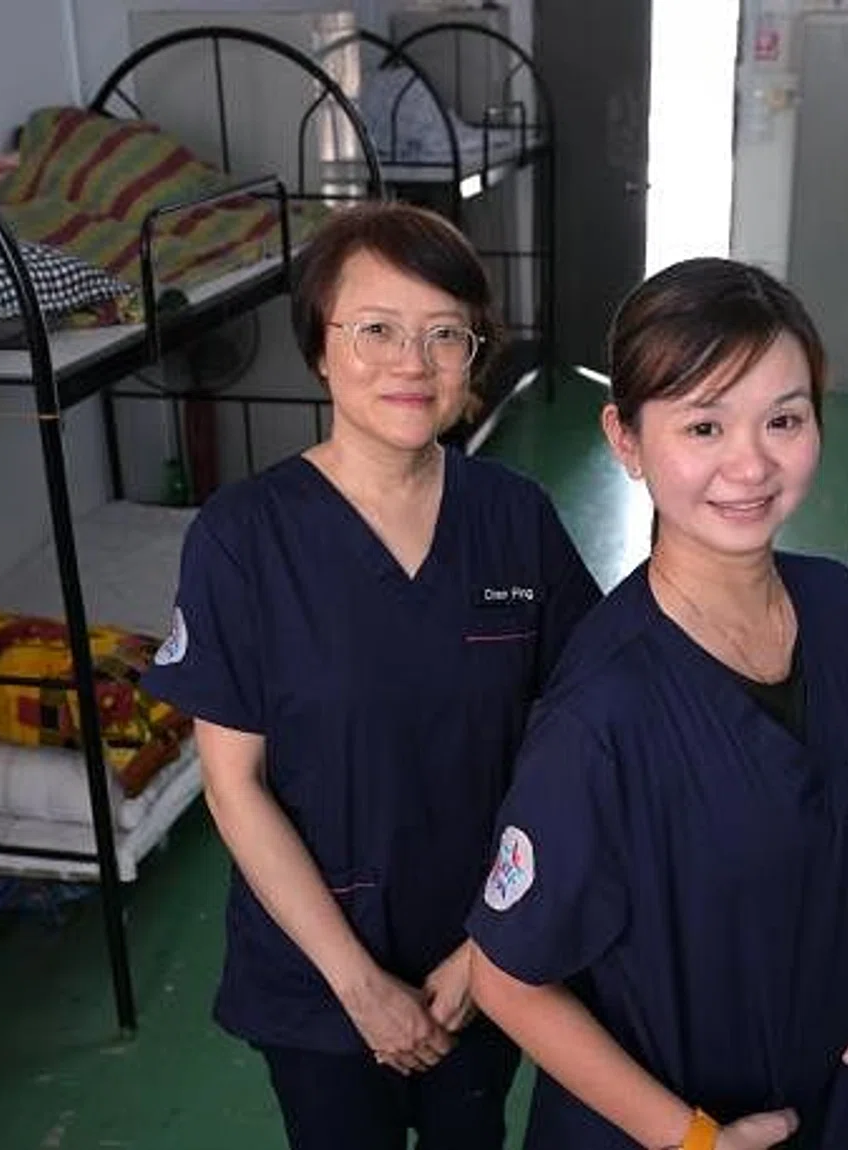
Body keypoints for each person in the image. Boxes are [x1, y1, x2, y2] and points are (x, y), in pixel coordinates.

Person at [141, 201, 601, 1150]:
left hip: (487, 959)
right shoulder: (243, 539)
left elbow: (577, 746)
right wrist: (359, 987)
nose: (412, 363)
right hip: (318, 977)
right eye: (377, 330)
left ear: (473, 356)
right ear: (319, 347)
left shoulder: (514, 517)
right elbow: (234, 789)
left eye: (445, 335)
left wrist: (488, 947)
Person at [466, 258, 848, 1150]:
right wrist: (690, 1140)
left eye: (785, 419)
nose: (751, 464)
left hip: (826, 1094)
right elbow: (505, 978)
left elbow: (837, 817)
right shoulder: (603, 709)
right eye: (704, 425)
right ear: (626, 439)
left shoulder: (838, 611)